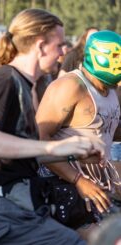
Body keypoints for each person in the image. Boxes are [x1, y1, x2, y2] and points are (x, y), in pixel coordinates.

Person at [0, 8, 105, 245]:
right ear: (41, 46)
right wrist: (56, 148)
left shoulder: (31, 86)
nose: (64, 53)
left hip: (22, 207)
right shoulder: (3, 80)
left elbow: (23, 153)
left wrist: (75, 152)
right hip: (1, 210)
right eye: (60, 45)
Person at [36, 30, 121, 239]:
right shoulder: (70, 86)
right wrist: (78, 181)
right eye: (116, 56)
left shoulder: (113, 90)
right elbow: (39, 141)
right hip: (64, 187)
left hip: (101, 189)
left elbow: (113, 138)